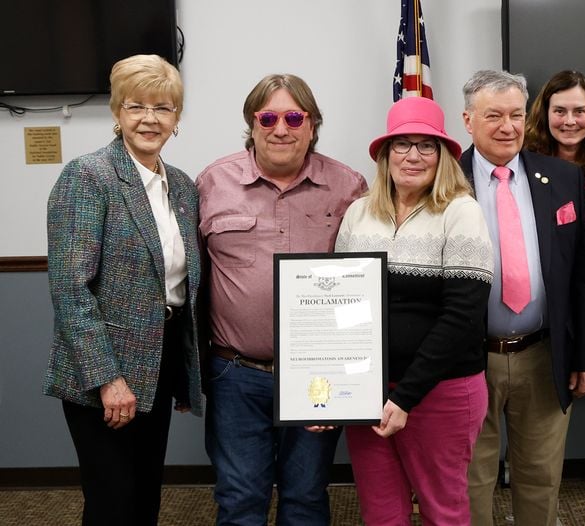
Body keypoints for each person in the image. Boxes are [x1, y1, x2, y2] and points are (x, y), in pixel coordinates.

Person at [197, 74, 368, 525]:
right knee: (239, 498)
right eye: (268, 117)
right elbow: (192, 278)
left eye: (294, 118)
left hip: (317, 377)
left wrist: (342, 380)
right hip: (235, 372)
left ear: (312, 126)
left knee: (306, 497)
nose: (280, 129)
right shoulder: (212, 182)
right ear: (252, 124)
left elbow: (363, 288)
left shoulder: (348, 186)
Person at [44, 54, 201, 525]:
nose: (150, 119)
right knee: (112, 503)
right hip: (105, 367)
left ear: (176, 117)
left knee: (145, 496)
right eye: (136, 106)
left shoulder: (182, 186)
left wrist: (184, 369)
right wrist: (108, 379)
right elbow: (71, 290)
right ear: (117, 112)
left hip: (160, 358)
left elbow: (180, 284)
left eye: (163, 108)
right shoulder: (88, 176)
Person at [335, 96, 493, 525]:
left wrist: (405, 396)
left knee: (444, 512)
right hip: (368, 391)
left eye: (426, 146)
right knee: (380, 513)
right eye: (401, 145)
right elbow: (340, 305)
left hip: (442, 391)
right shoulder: (358, 213)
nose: (413, 156)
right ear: (386, 155)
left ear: (442, 157)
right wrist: (329, 393)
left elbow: (462, 317)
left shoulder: (461, 213)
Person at [460, 70, 585, 526]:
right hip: (467, 359)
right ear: (468, 120)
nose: (508, 127)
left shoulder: (562, 177)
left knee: (541, 478)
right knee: (471, 481)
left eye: (516, 115)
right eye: (494, 116)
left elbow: (581, 277)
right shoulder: (446, 180)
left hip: (543, 354)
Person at [525, 70, 585, 225]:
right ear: (545, 113)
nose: (570, 121)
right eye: (560, 111)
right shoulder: (524, 168)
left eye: (579, 111)